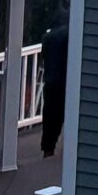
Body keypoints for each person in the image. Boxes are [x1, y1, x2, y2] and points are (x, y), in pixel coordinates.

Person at [38, 22, 68, 157]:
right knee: (61, 114)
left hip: (51, 81)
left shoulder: (48, 38)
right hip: (64, 82)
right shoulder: (69, 36)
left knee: (50, 116)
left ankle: (48, 148)